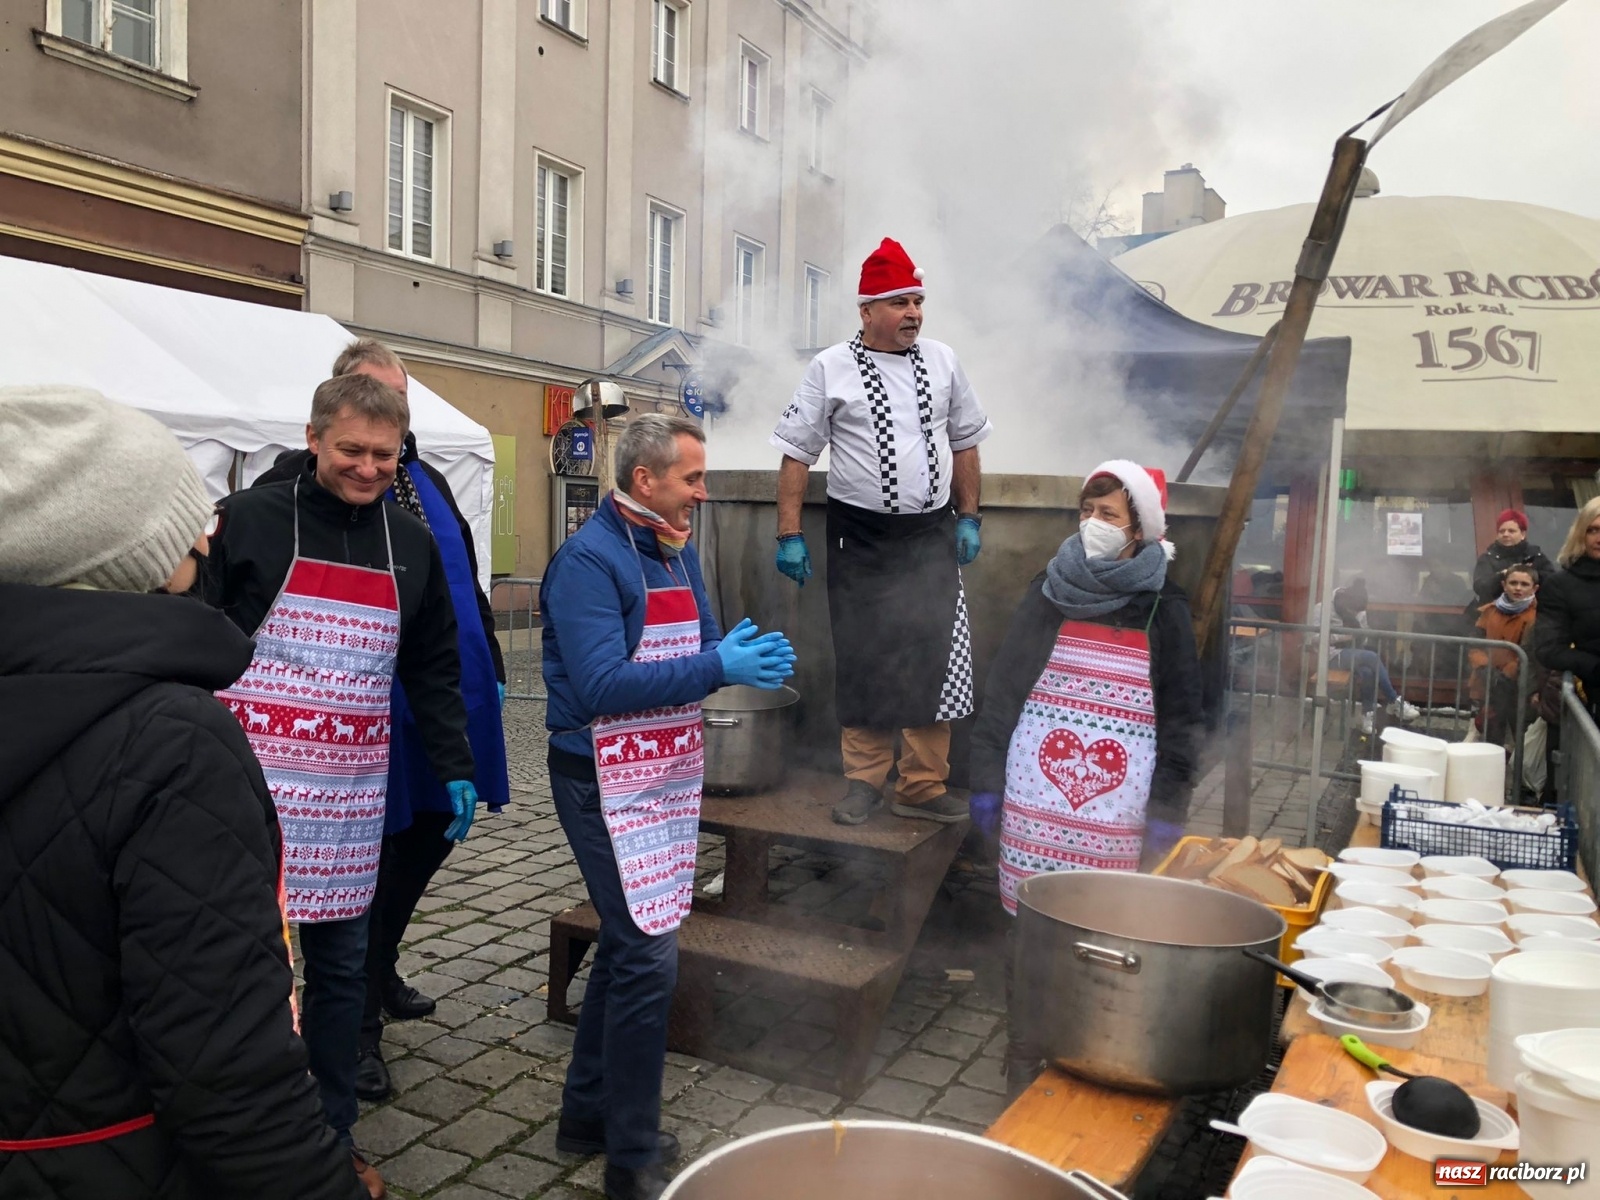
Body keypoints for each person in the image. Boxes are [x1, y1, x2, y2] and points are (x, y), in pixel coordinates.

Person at [0, 386, 369, 1200]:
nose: (207, 533)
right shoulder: (171, 740)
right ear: (108, 546)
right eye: (183, 516)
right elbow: (230, 1082)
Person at [200, 372, 476, 1172]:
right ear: (315, 437)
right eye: (351, 449)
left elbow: (431, 666)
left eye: (383, 456)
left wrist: (453, 762)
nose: (366, 468)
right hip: (242, 790)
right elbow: (194, 633)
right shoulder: (247, 521)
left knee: (342, 969)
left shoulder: (412, 544)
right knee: (238, 968)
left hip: (349, 799)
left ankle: (331, 1129)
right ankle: (237, 1129)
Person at [541, 414, 793, 1200]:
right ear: (645, 480)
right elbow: (601, 687)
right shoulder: (588, 562)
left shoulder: (674, 552)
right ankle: (632, 1154)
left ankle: (587, 1115)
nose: (703, 492)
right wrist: (715, 662)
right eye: (692, 478)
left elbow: (705, 645)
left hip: (661, 774)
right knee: (650, 952)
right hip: (597, 778)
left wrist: (727, 656)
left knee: (627, 945)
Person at [252, 339, 510, 1100]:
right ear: (323, 421)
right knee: (350, 885)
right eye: (359, 432)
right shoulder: (273, 499)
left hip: (439, 703)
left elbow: (465, 577)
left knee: (425, 843)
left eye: (393, 418)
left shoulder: (424, 482)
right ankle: (350, 1027)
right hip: (344, 729)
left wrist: (490, 663)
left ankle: (381, 960)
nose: (372, 458)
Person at [965, 463, 1202, 1099]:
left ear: (1140, 530)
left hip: (1115, 820)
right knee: (1028, 937)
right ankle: (1022, 1060)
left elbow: (1182, 719)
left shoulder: (1164, 608)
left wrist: (1168, 810)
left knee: (1103, 937)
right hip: (1033, 806)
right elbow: (1005, 687)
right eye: (1087, 510)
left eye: (1109, 515)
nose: (1093, 524)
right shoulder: (1049, 589)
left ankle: (1093, 1052)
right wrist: (985, 780)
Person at [770, 237, 992, 826]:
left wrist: (968, 518)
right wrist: (788, 533)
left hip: (929, 537)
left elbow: (965, 440)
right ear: (867, 312)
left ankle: (921, 785)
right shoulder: (829, 366)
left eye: (917, 301)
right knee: (865, 656)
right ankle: (864, 783)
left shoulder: (945, 361)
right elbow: (797, 453)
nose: (913, 313)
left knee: (933, 654)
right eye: (899, 302)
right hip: (858, 537)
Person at [1310, 577, 1421, 734]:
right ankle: (1393, 700)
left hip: (1353, 651)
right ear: (1346, 603)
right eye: (1353, 611)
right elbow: (1314, 637)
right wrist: (1343, 637)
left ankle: (1367, 716)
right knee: (1371, 657)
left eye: (1359, 611)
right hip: (1331, 654)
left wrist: (1361, 636)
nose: (1356, 614)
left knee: (1368, 672)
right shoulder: (1322, 608)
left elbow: (1364, 629)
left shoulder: (1359, 610)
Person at [1535, 497, 1600, 713]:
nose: (1599, 538)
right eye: (1593, 530)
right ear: (1580, 533)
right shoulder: (1560, 585)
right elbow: (1549, 648)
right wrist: (1593, 667)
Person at [1469, 565, 1538, 746]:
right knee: (1490, 736)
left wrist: (1507, 674)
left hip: (1516, 687)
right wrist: (1483, 667)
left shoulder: (1536, 616)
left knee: (1516, 739)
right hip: (1486, 682)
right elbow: (1476, 642)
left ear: (1534, 588)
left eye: (1524, 584)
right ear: (1504, 585)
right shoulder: (1489, 611)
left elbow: (1529, 651)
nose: (1518, 588)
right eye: (1513, 583)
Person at [1472, 509, 1556, 608]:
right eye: (1501, 531)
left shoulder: (1535, 555)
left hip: (1534, 614)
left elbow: (1552, 582)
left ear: (1523, 534)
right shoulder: (1487, 558)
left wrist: (1529, 574)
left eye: (1511, 531)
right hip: (1495, 615)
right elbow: (1480, 587)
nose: (1505, 534)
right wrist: (1504, 574)